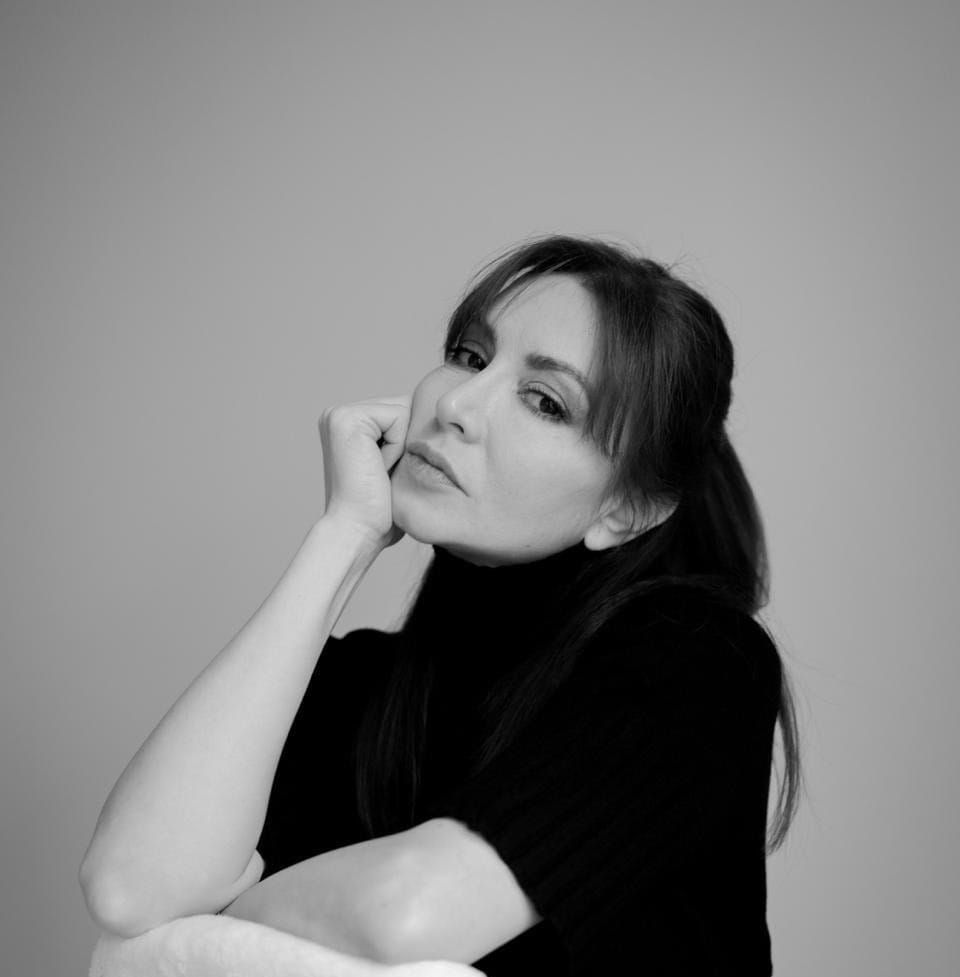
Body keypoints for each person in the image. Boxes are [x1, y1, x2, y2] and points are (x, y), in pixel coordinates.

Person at [79, 235, 801, 975]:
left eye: (545, 401)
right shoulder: (364, 683)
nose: (456, 404)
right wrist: (344, 536)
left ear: (626, 509)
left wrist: (206, 929)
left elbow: (401, 917)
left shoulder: (701, 660)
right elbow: (129, 888)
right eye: (470, 356)